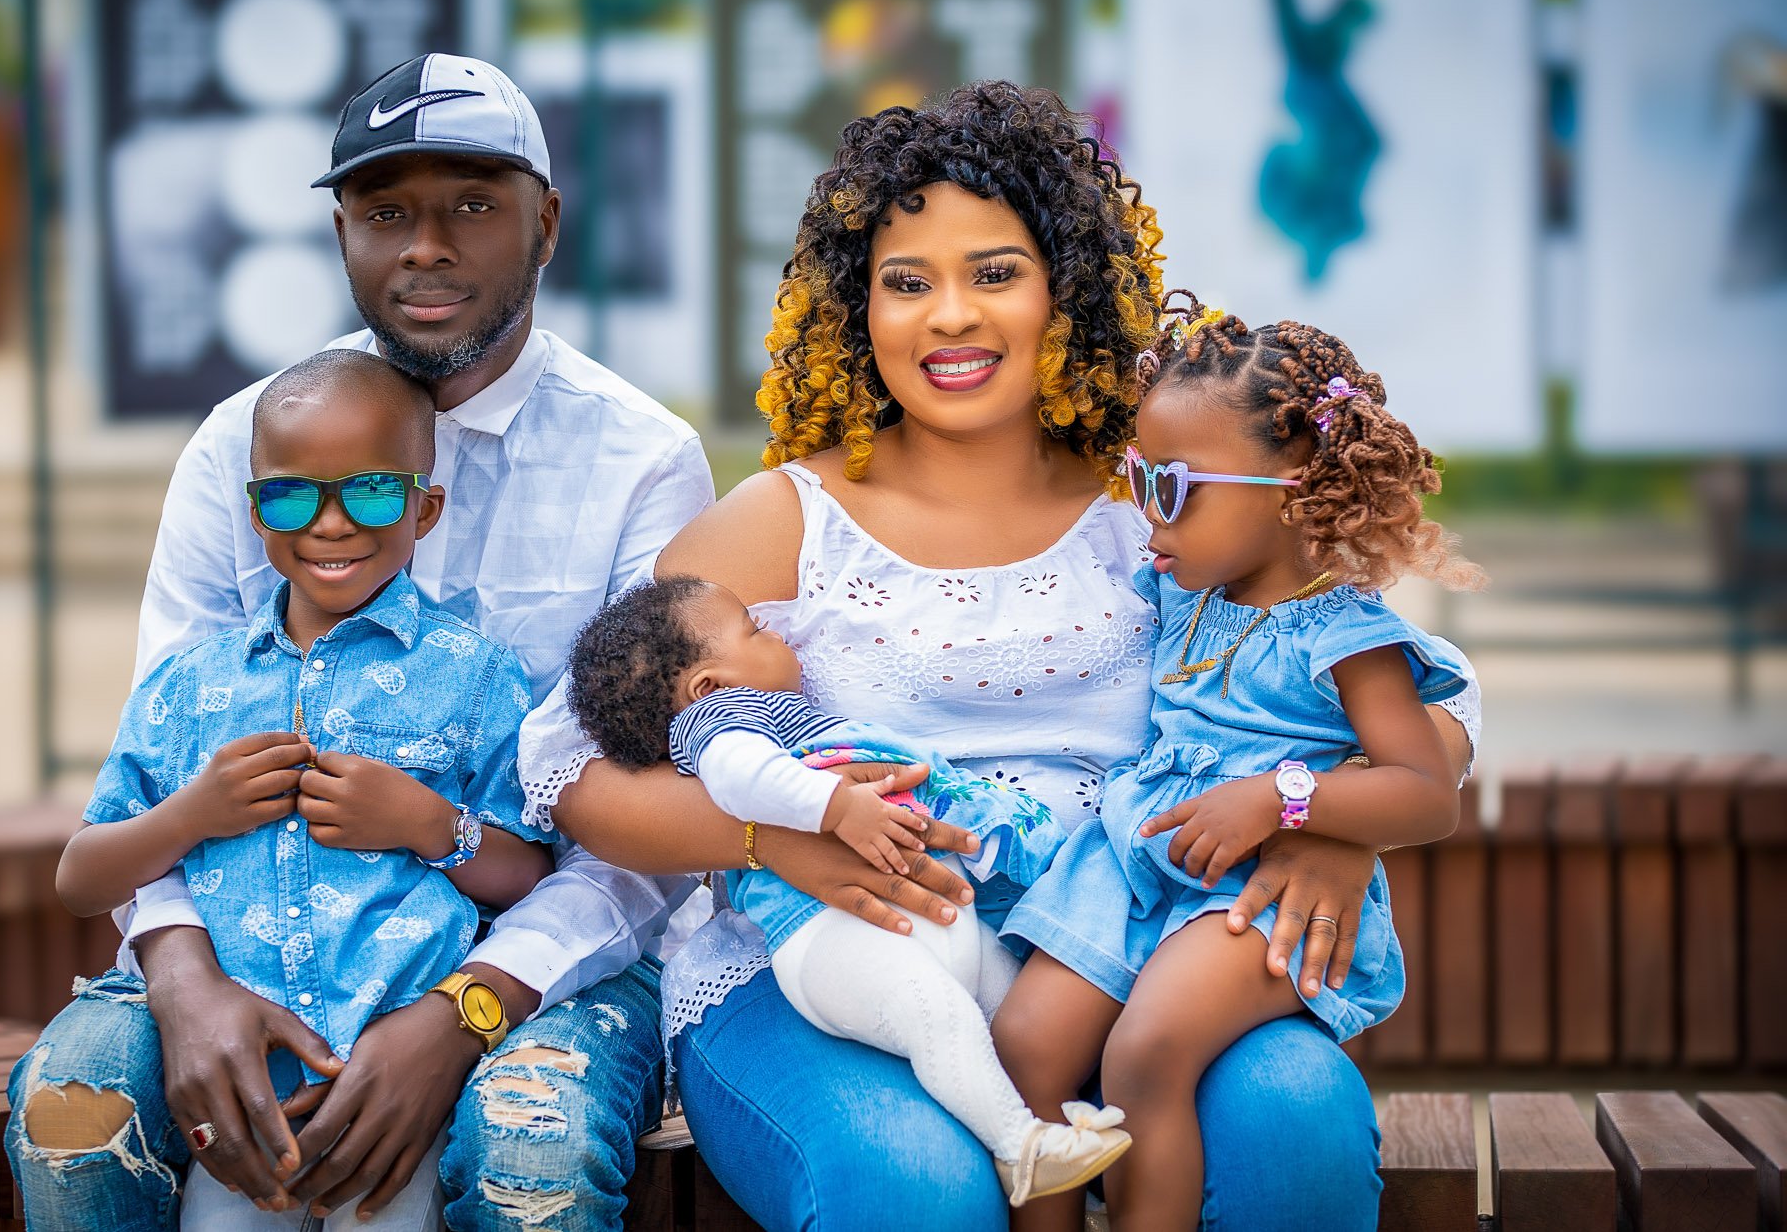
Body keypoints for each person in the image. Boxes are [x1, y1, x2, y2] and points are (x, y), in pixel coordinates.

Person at [536, 81, 1482, 1231]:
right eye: (905, 282)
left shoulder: (1161, 511)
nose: (948, 317)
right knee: (918, 1193)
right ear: (856, 308)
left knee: (1294, 1126)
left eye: (993, 273)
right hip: (838, 973)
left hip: (1129, 948)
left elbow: (1416, 704)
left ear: (1065, 291)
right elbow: (568, 764)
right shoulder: (779, 525)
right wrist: (765, 838)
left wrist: (1321, 822)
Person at [8, 52, 773, 1231]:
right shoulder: (240, 445)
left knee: (533, 1155)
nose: (424, 247)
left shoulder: (639, 463)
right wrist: (184, 977)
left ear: (545, 223)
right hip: (240, 931)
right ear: (341, 234)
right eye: (383, 214)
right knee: (75, 1117)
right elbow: (161, 763)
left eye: (472, 205)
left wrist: (466, 1008)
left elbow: (640, 829)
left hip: (544, 957)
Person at [993, 315, 1485, 1232]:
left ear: (1294, 490)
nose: (1149, 514)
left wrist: (1281, 798)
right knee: (1026, 1045)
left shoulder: (1346, 635)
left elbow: (1426, 794)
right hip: (1133, 863)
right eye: (1138, 478)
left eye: (1173, 486)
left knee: (1146, 1052)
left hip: (1253, 891)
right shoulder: (1182, 586)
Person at [53, 348, 557, 1228]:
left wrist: (429, 823)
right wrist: (192, 813)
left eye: (372, 492)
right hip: (242, 1105)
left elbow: (530, 873)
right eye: (292, 496)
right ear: (254, 512)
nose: (330, 523)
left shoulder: (478, 678)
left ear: (425, 508)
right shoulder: (190, 685)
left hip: (399, 1096)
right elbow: (80, 877)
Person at [565, 576, 1126, 1206]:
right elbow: (738, 775)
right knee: (936, 1015)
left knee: (1014, 1017)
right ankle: (1020, 1147)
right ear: (708, 686)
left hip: (918, 922)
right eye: (756, 629)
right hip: (827, 928)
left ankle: (1061, 1147)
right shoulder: (722, 718)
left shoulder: (773, 714)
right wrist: (836, 808)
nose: (777, 633)